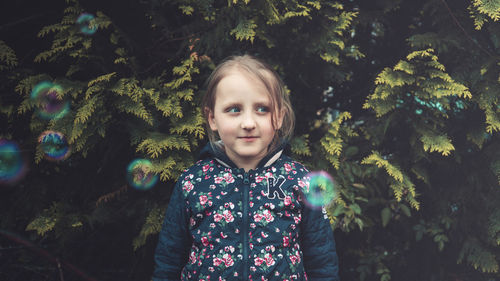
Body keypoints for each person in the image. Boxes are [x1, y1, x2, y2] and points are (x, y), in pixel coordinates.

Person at [152, 54, 340, 281]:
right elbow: (169, 259)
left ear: (279, 117)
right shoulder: (193, 182)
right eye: (234, 109)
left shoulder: (300, 181)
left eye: (262, 109)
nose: (248, 123)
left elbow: (322, 260)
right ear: (212, 118)